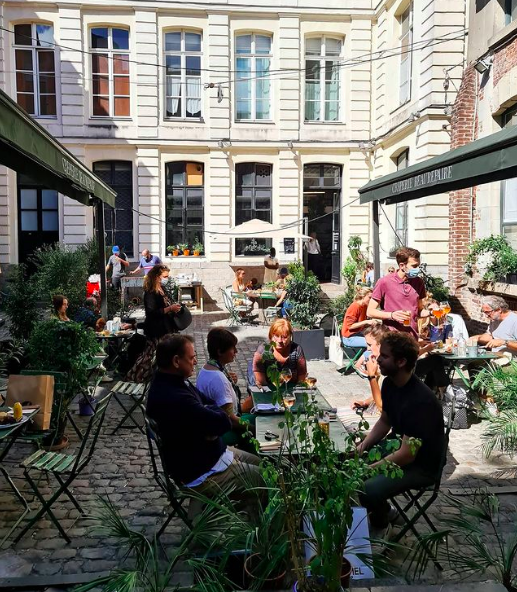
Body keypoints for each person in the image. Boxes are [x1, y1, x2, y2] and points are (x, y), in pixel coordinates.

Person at [146, 335, 262, 497]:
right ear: (176, 361)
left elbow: (210, 404)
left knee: (260, 462)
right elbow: (223, 421)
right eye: (192, 358)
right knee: (267, 479)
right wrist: (210, 418)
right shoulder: (176, 397)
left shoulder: (173, 382)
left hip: (213, 454)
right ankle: (253, 518)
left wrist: (209, 419)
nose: (195, 362)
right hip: (203, 473)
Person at [358, 332, 445, 530]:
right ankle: (387, 513)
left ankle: (382, 528)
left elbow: (407, 455)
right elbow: (384, 420)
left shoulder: (420, 401)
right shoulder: (390, 383)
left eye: (384, 356)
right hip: (396, 448)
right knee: (347, 464)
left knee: (364, 487)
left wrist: (370, 469)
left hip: (421, 466)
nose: (377, 359)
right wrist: (363, 447)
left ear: (401, 362)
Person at [196, 328, 255, 450]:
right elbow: (231, 420)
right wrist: (257, 428)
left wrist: (229, 382)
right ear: (220, 352)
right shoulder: (219, 379)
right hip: (223, 432)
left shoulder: (207, 369)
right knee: (260, 421)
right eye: (232, 348)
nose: (236, 351)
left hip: (213, 424)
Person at [126, 264, 181, 383]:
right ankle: (136, 375)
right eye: (164, 276)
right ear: (157, 276)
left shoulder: (162, 289)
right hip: (156, 328)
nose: (166, 278)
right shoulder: (150, 293)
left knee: (162, 354)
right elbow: (151, 312)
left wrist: (174, 307)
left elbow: (167, 303)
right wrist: (169, 308)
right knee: (149, 355)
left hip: (167, 327)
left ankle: (160, 376)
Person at [367, 247, 428, 338]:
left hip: (412, 338)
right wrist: (391, 315)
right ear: (402, 266)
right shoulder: (384, 282)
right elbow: (370, 312)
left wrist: (433, 313)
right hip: (392, 338)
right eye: (414, 266)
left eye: (418, 266)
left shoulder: (418, 282)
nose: (417, 269)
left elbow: (419, 311)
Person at [253, 319, 307, 387]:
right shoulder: (263, 351)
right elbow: (262, 381)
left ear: (290, 336)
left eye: (284, 337)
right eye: (276, 336)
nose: (279, 340)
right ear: (271, 335)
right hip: (269, 391)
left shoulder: (297, 350)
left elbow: (301, 379)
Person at [352, 324, 391, 413]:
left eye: (370, 345)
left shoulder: (390, 366)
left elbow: (382, 407)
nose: (368, 349)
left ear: (381, 345)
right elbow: (379, 393)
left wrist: (371, 376)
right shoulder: (380, 362)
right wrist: (365, 402)